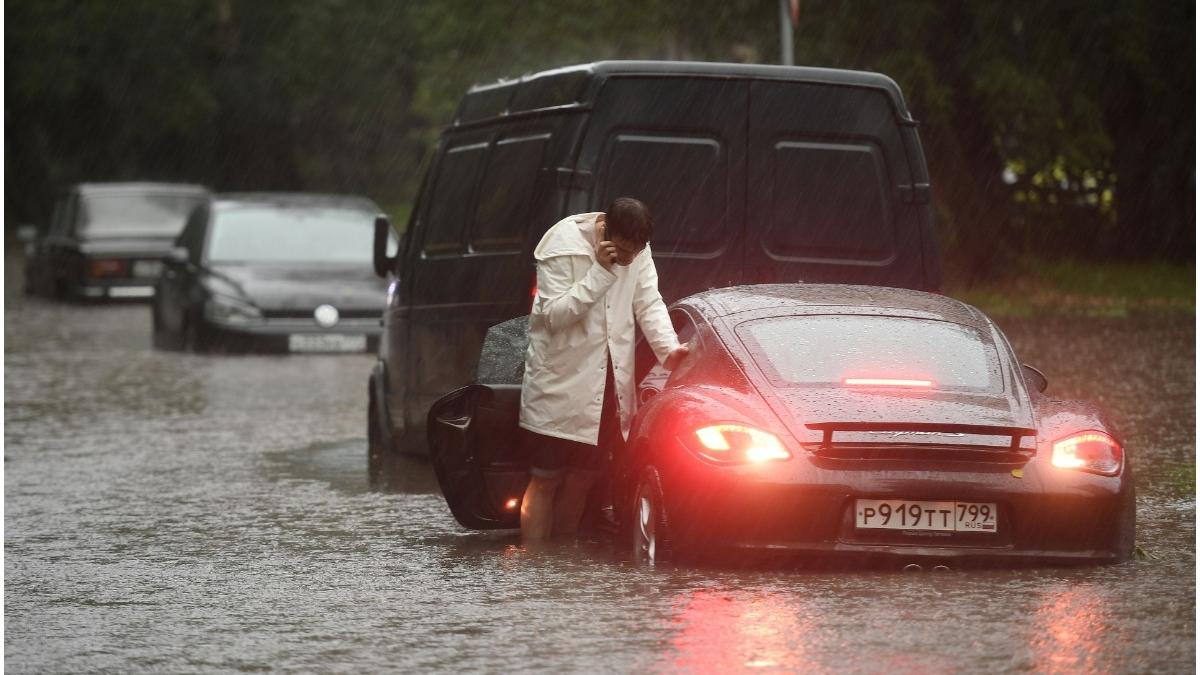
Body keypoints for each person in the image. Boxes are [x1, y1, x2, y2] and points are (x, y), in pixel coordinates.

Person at [518, 197, 688, 540]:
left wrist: (668, 349)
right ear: (604, 233)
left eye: (633, 254)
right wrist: (599, 273)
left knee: (581, 480)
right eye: (622, 251)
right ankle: (533, 569)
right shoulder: (562, 245)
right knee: (545, 478)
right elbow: (552, 316)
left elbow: (649, 302)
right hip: (558, 380)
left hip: (605, 384)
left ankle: (562, 564)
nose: (627, 260)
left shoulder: (639, 252)